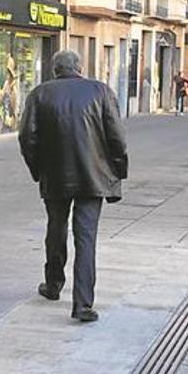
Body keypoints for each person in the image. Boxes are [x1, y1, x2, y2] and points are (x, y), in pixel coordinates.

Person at [18, 50, 128, 322]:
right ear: (79, 67)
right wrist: (117, 171)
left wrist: (38, 170)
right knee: (86, 237)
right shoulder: (100, 91)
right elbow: (117, 138)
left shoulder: (39, 94)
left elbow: (26, 138)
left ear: (55, 70)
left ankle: (53, 284)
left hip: (55, 176)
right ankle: (82, 305)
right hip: (93, 177)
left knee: (56, 229)